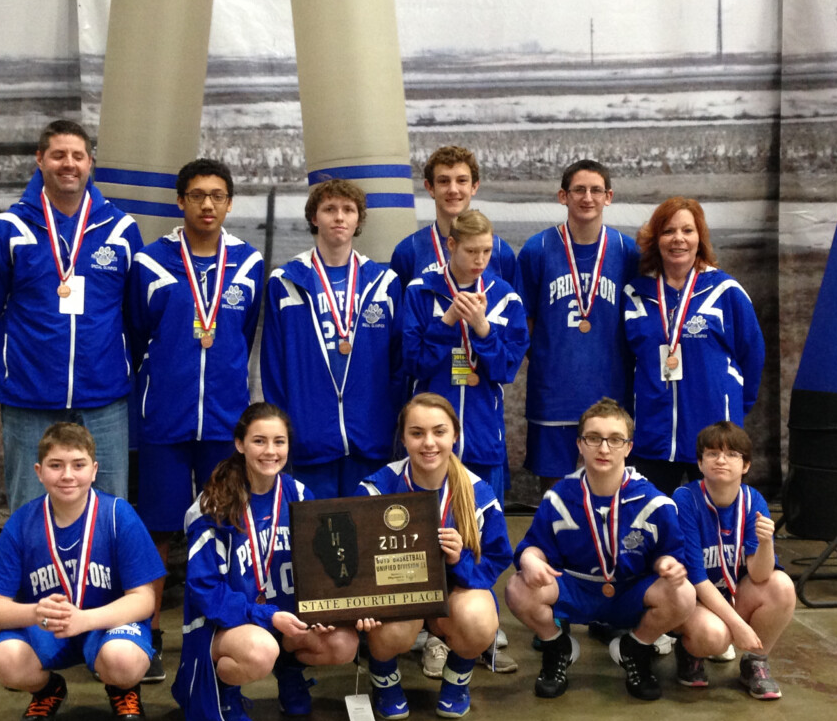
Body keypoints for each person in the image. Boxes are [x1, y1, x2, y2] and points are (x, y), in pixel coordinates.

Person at [127, 158, 264, 682]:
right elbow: (138, 335)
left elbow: (242, 334)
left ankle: (219, 628)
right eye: (197, 195)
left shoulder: (248, 264)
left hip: (225, 422)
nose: (208, 204)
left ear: (229, 203)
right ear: (179, 201)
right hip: (164, 418)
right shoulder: (150, 262)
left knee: (226, 526)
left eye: (218, 195)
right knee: (159, 530)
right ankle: (149, 633)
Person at [0, 120, 143, 512]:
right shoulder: (8, 230)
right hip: (29, 394)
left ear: (90, 163)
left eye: (77, 156)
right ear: (40, 160)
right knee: (29, 506)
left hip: (104, 395)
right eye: (59, 154)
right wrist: (13, 356)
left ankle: (101, 575)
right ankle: (34, 576)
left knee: (109, 507)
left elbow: (134, 314)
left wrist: (114, 358)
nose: (69, 164)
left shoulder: (120, 230)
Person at [172, 403, 358, 721]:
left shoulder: (299, 495)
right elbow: (205, 593)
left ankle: (290, 673)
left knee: (344, 642)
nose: (270, 451)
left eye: (279, 441)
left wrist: (333, 608)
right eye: (259, 441)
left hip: (283, 622)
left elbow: (321, 569)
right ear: (240, 444)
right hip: (225, 625)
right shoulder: (211, 506)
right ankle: (224, 686)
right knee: (261, 650)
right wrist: (265, 616)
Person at [0, 423, 165, 721]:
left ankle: (122, 689)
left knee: (123, 659)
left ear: (94, 470)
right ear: (38, 471)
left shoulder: (118, 515)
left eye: (78, 465)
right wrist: (35, 613)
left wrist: (85, 619)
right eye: (56, 465)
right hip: (48, 627)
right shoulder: (22, 523)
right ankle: (47, 690)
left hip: (105, 625)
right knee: (6, 659)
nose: (67, 475)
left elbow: (144, 600)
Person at [505, 398, 695, 701]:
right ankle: (557, 646)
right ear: (580, 444)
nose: (604, 449)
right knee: (518, 587)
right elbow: (535, 546)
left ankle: (636, 647)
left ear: (629, 447)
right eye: (594, 438)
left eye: (615, 440)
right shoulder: (559, 497)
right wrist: (529, 558)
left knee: (684, 593)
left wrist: (668, 564)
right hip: (578, 588)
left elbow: (672, 551)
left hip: (630, 592)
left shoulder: (654, 502)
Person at [355, 393, 513, 719]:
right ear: (403, 437)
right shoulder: (377, 489)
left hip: (453, 597)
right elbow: (356, 558)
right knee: (393, 625)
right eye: (417, 433)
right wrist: (363, 601)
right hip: (399, 596)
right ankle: (384, 680)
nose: (429, 443)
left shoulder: (477, 493)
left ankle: (457, 679)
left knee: (479, 618)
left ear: (455, 435)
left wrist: (460, 559)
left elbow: (497, 558)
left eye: (439, 432)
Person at [261, 178, 404, 499]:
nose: (339, 217)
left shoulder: (385, 283)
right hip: (310, 437)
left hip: (370, 438)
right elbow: (273, 367)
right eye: (329, 209)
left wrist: (386, 420)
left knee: (367, 536)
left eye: (348, 210)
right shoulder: (285, 283)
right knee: (319, 539)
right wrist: (286, 429)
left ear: (358, 220)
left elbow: (399, 364)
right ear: (314, 217)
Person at [623, 196, 765, 495]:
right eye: (668, 231)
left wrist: (734, 404)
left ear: (700, 237)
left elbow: (752, 356)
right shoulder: (635, 293)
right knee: (652, 524)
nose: (678, 239)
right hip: (653, 434)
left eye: (688, 231)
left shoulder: (726, 292)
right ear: (655, 238)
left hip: (714, 437)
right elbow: (625, 360)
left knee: (715, 524)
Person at [517, 159, 641, 493]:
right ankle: (556, 544)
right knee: (554, 489)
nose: (588, 197)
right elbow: (525, 320)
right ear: (563, 196)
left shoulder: (626, 251)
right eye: (579, 190)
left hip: (610, 387)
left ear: (609, 196)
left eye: (596, 190)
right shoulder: (537, 249)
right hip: (554, 390)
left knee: (609, 482)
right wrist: (548, 358)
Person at [402, 209, 528, 503]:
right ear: (451, 245)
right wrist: (446, 323)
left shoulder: (505, 296)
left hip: (483, 436)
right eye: (471, 251)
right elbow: (414, 364)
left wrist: (483, 330)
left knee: (483, 529)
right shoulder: (420, 291)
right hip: (430, 443)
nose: (480, 260)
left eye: (486, 251)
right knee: (432, 531)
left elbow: (506, 370)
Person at [672, 421, 795, 699]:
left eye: (731, 454)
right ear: (700, 464)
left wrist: (765, 544)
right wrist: (738, 626)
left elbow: (760, 576)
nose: (721, 460)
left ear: (746, 465)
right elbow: (696, 578)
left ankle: (755, 662)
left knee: (783, 586)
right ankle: (690, 650)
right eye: (712, 453)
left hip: (731, 594)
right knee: (715, 638)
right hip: (695, 598)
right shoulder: (685, 500)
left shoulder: (754, 501)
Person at [390, 145, 517, 291]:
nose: (453, 190)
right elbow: (400, 311)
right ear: (430, 187)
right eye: (444, 181)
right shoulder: (408, 251)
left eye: (462, 180)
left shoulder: (500, 251)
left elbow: (512, 309)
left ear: (474, 186)